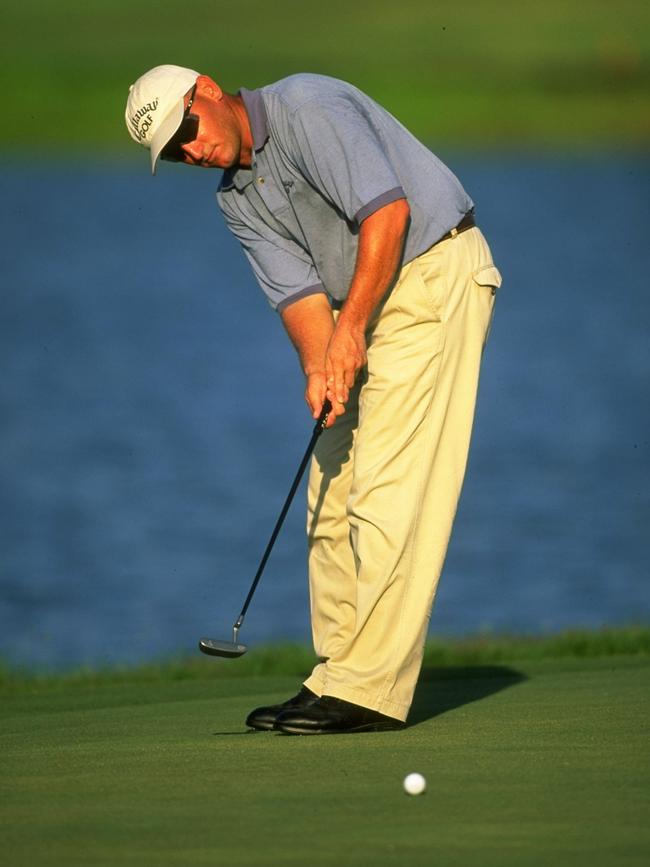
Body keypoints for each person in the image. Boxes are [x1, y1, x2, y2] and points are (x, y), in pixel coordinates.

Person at [125, 65, 501, 735]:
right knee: (329, 490)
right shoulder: (234, 198)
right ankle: (338, 672)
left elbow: (388, 213)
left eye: (186, 129)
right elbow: (299, 298)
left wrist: (348, 330)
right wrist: (318, 366)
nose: (189, 149)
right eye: (172, 151)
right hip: (358, 300)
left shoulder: (307, 105)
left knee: (386, 490)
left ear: (207, 90)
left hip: (429, 271)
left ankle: (371, 689)